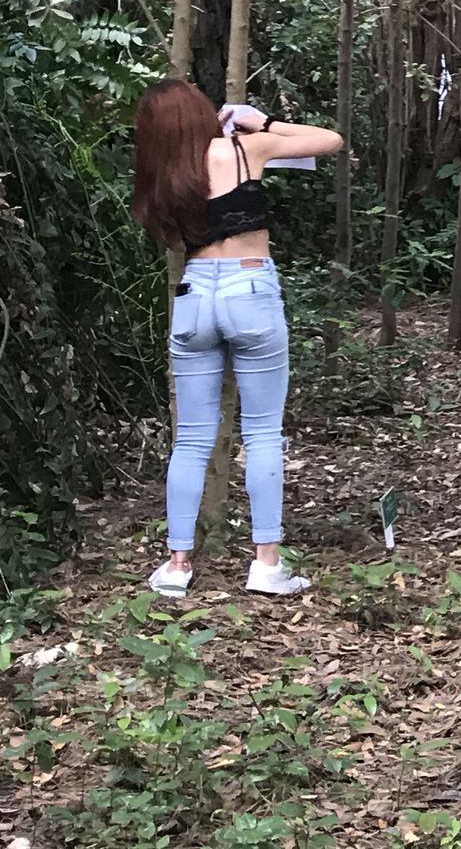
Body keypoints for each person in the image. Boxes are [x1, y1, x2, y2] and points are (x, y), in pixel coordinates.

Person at [130, 79, 344, 598]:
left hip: (193, 295)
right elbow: (330, 139)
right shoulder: (244, 147)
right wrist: (262, 121)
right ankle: (266, 563)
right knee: (264, 433)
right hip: (250, 287)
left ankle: (177, 566)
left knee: (192, 438)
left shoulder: (164, 175)